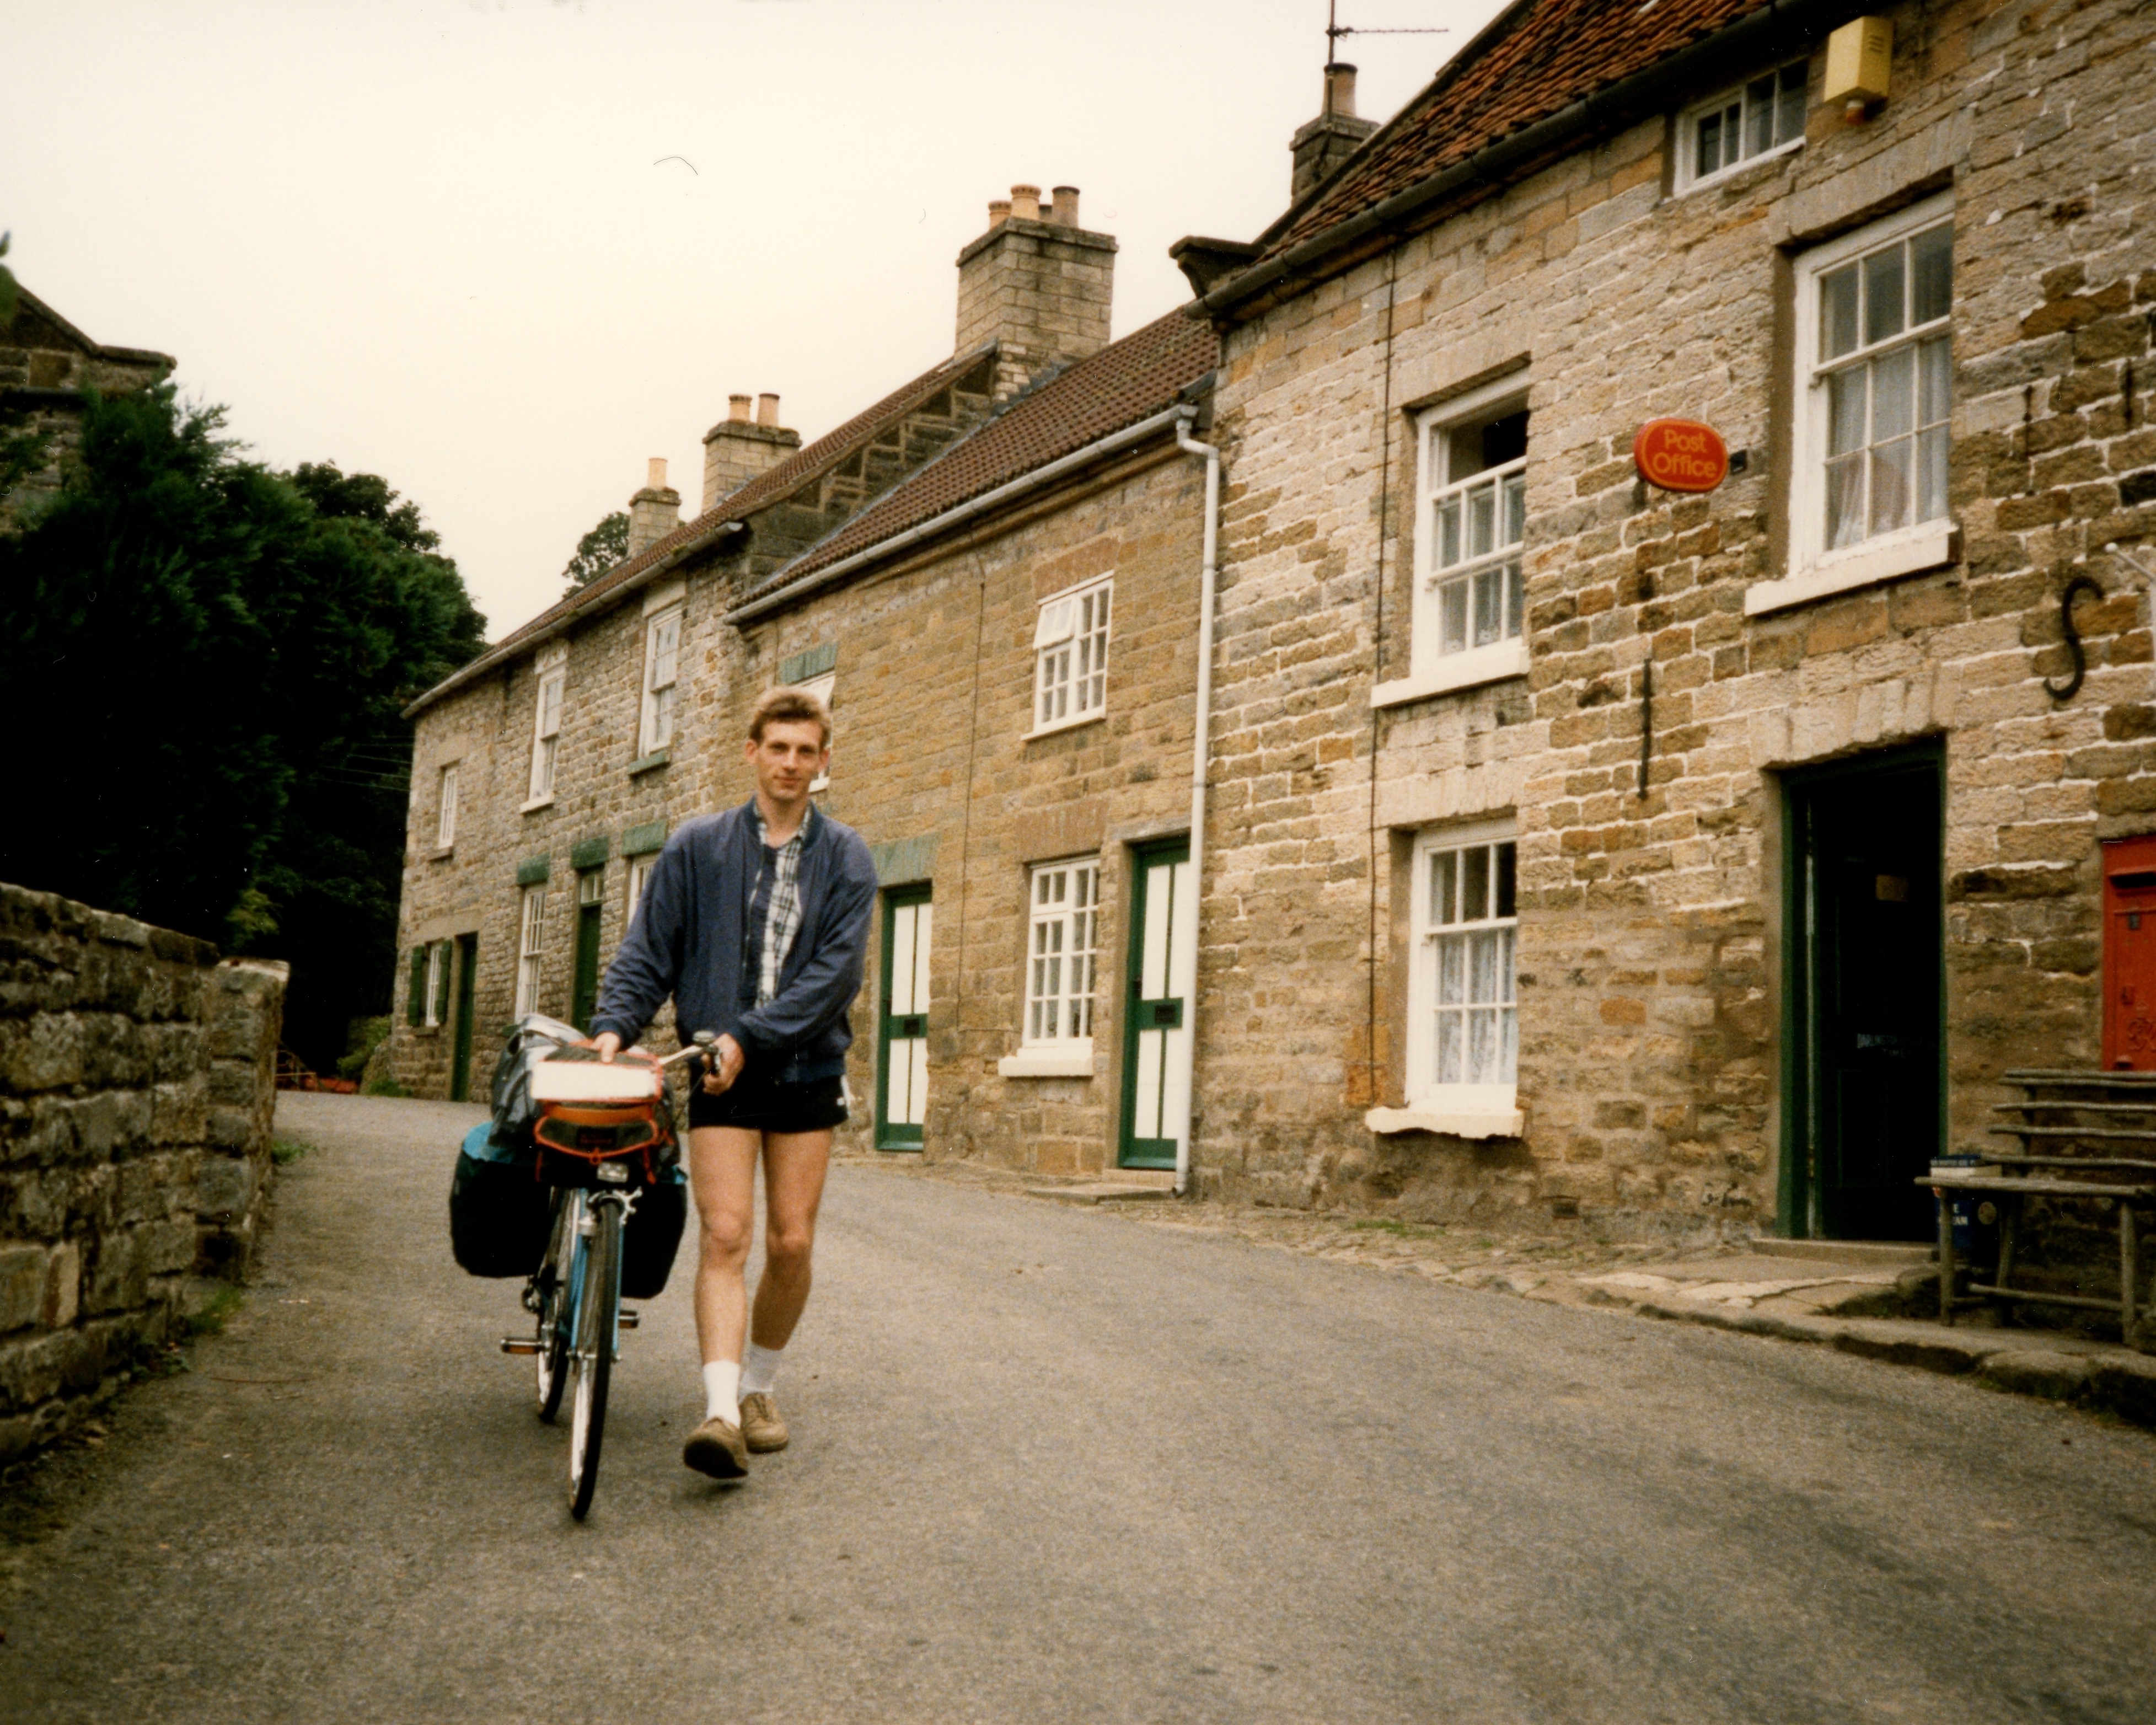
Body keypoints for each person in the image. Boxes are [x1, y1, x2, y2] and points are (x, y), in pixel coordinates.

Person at [587, 685, 877, 1480]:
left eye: (805, 751)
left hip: (805, 1067)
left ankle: (758, 1387)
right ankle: (718, 1412)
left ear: (822, 764)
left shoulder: (846, 856)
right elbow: (650, 948)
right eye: (776, 748)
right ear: (751, 752)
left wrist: (752, 1034)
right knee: (725, 1234)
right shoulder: (697, 846)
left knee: (790, 1241)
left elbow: (832, 978)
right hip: (718, 1075)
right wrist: (616, 1024)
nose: (790, 763)